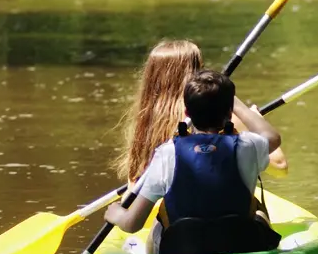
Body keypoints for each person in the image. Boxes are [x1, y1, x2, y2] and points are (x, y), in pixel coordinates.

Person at [105, 68, 283, 254]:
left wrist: (115, 213)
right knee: (258, 214)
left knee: (159, 221)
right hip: (239, 246)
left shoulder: (167, 153)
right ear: (230, 112)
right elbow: (272, 137)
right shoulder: (247, 146)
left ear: (187, 112)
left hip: (182, 251)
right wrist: (236, 103)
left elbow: (132, 224)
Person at [114, 39, 286, 189]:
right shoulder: (218, 115)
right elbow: (280, 167)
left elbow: (134, 182)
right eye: (201, 68)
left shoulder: (145, 120)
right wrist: (253, 118)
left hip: (160, 208)